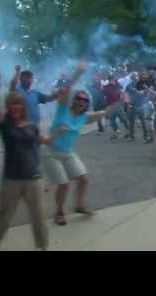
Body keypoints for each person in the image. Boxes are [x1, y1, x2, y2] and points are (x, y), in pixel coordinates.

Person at [0, 70, 62, 251]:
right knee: (4, 217)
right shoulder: (5, 125)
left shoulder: (32, 127)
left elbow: (46, 141)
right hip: (11, 179)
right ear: (8, 107)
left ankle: (43, 247)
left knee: (39, 217)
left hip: (34, 178)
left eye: (18, 103)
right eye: (11, 104)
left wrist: (59, 132)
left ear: (23, 106)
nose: (15, 106)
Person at [44, 62, 109, 226]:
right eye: (79, 99)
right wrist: (78, 73)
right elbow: (65, 90)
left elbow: (104, 113)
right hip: (51, 152)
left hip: (68, 153)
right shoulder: (63, 109)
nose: (82, 101)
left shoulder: (84, 117)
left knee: (83, 179)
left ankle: (79, 205)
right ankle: (59, 212)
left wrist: (121, 103)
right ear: (74, 100)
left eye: (85, 100)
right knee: (64, 184)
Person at [102, 73, 129, 139]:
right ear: (109, 80)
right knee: (112, 121)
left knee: (124, 118)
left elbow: (123, 93)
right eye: (110, 79)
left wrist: (123, 102)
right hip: (110, 106)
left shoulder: (118, 85)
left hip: (118, 105)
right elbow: (105, 97)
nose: (112, 80)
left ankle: (128, 132)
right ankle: (115, 133)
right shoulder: (107, 87)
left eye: (113, 78)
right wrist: (106, 106)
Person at [125, 72, 148, 142]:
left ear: (138, 77)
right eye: (133, 76)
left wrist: (142, 91)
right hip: (132, 106)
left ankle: (146, 136)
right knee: (131, 122)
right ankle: (132, 136)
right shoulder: (128, 86)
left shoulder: (142, 85)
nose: (135, 78)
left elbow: (144, 93)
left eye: (136, 76)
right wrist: (128, 104)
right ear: (131, 78)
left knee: (143, 121)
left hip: (140, 105)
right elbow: (126, 96)